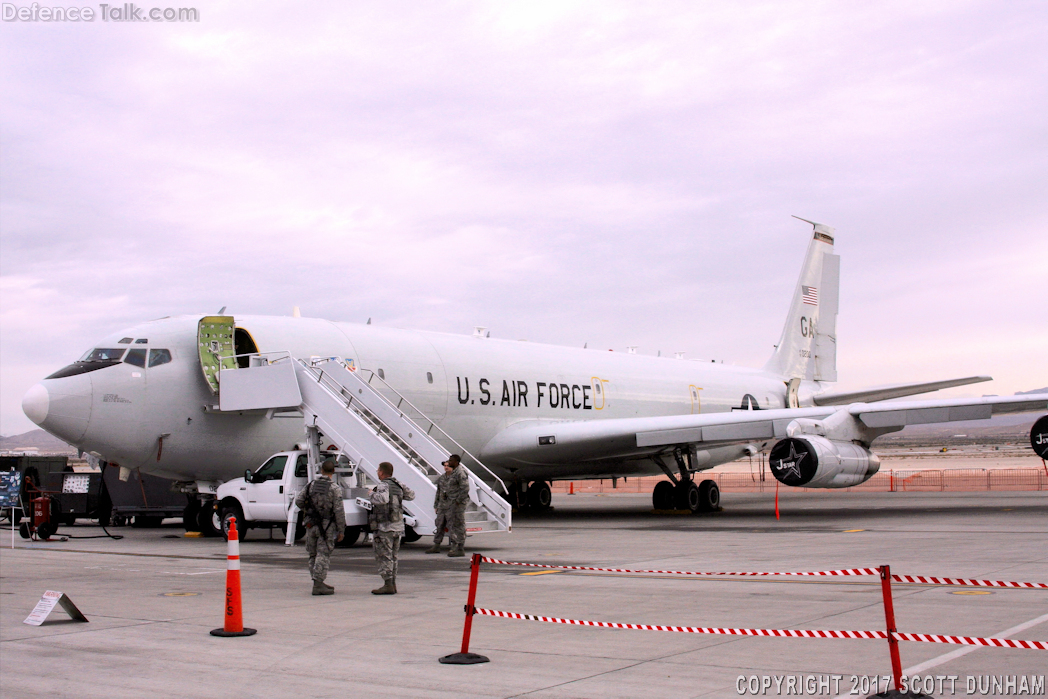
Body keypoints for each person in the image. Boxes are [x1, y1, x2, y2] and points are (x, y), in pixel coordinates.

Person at [294, 460, 345, 596]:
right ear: (333, 472)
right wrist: (341, 530)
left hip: (311, 525)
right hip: (326, 526)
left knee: (313, 553)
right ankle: (318, 583)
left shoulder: (311, 485)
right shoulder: (335, 488)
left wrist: (309, 510)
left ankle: (317, 581)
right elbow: (339, 511)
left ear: (321, 470)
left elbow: (299, 501)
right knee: (323, 553)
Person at [369, 461, 415, 595]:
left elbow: (382, 499)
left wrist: (371, 493)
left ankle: (388, 584)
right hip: (398, 526)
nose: (377, 472)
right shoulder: (398, 484)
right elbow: (411, 495)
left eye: (378, 470)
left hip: (385, 527)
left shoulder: (383, 485)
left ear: (382, 472)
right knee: (393, 556)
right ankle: (392, 583)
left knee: (384, 556)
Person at [425, 454, 470, 557]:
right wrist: (436, 504)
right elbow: (439, 492)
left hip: (455, 505)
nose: (448, 463)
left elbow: (465, 489)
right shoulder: (443, 477)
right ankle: (436, 544)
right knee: (439, 524)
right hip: (444, 504)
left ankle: (458, 547)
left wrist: (458, 501)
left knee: (456, 525)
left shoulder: (460, 473)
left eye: (451, 461)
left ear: (457, 462)